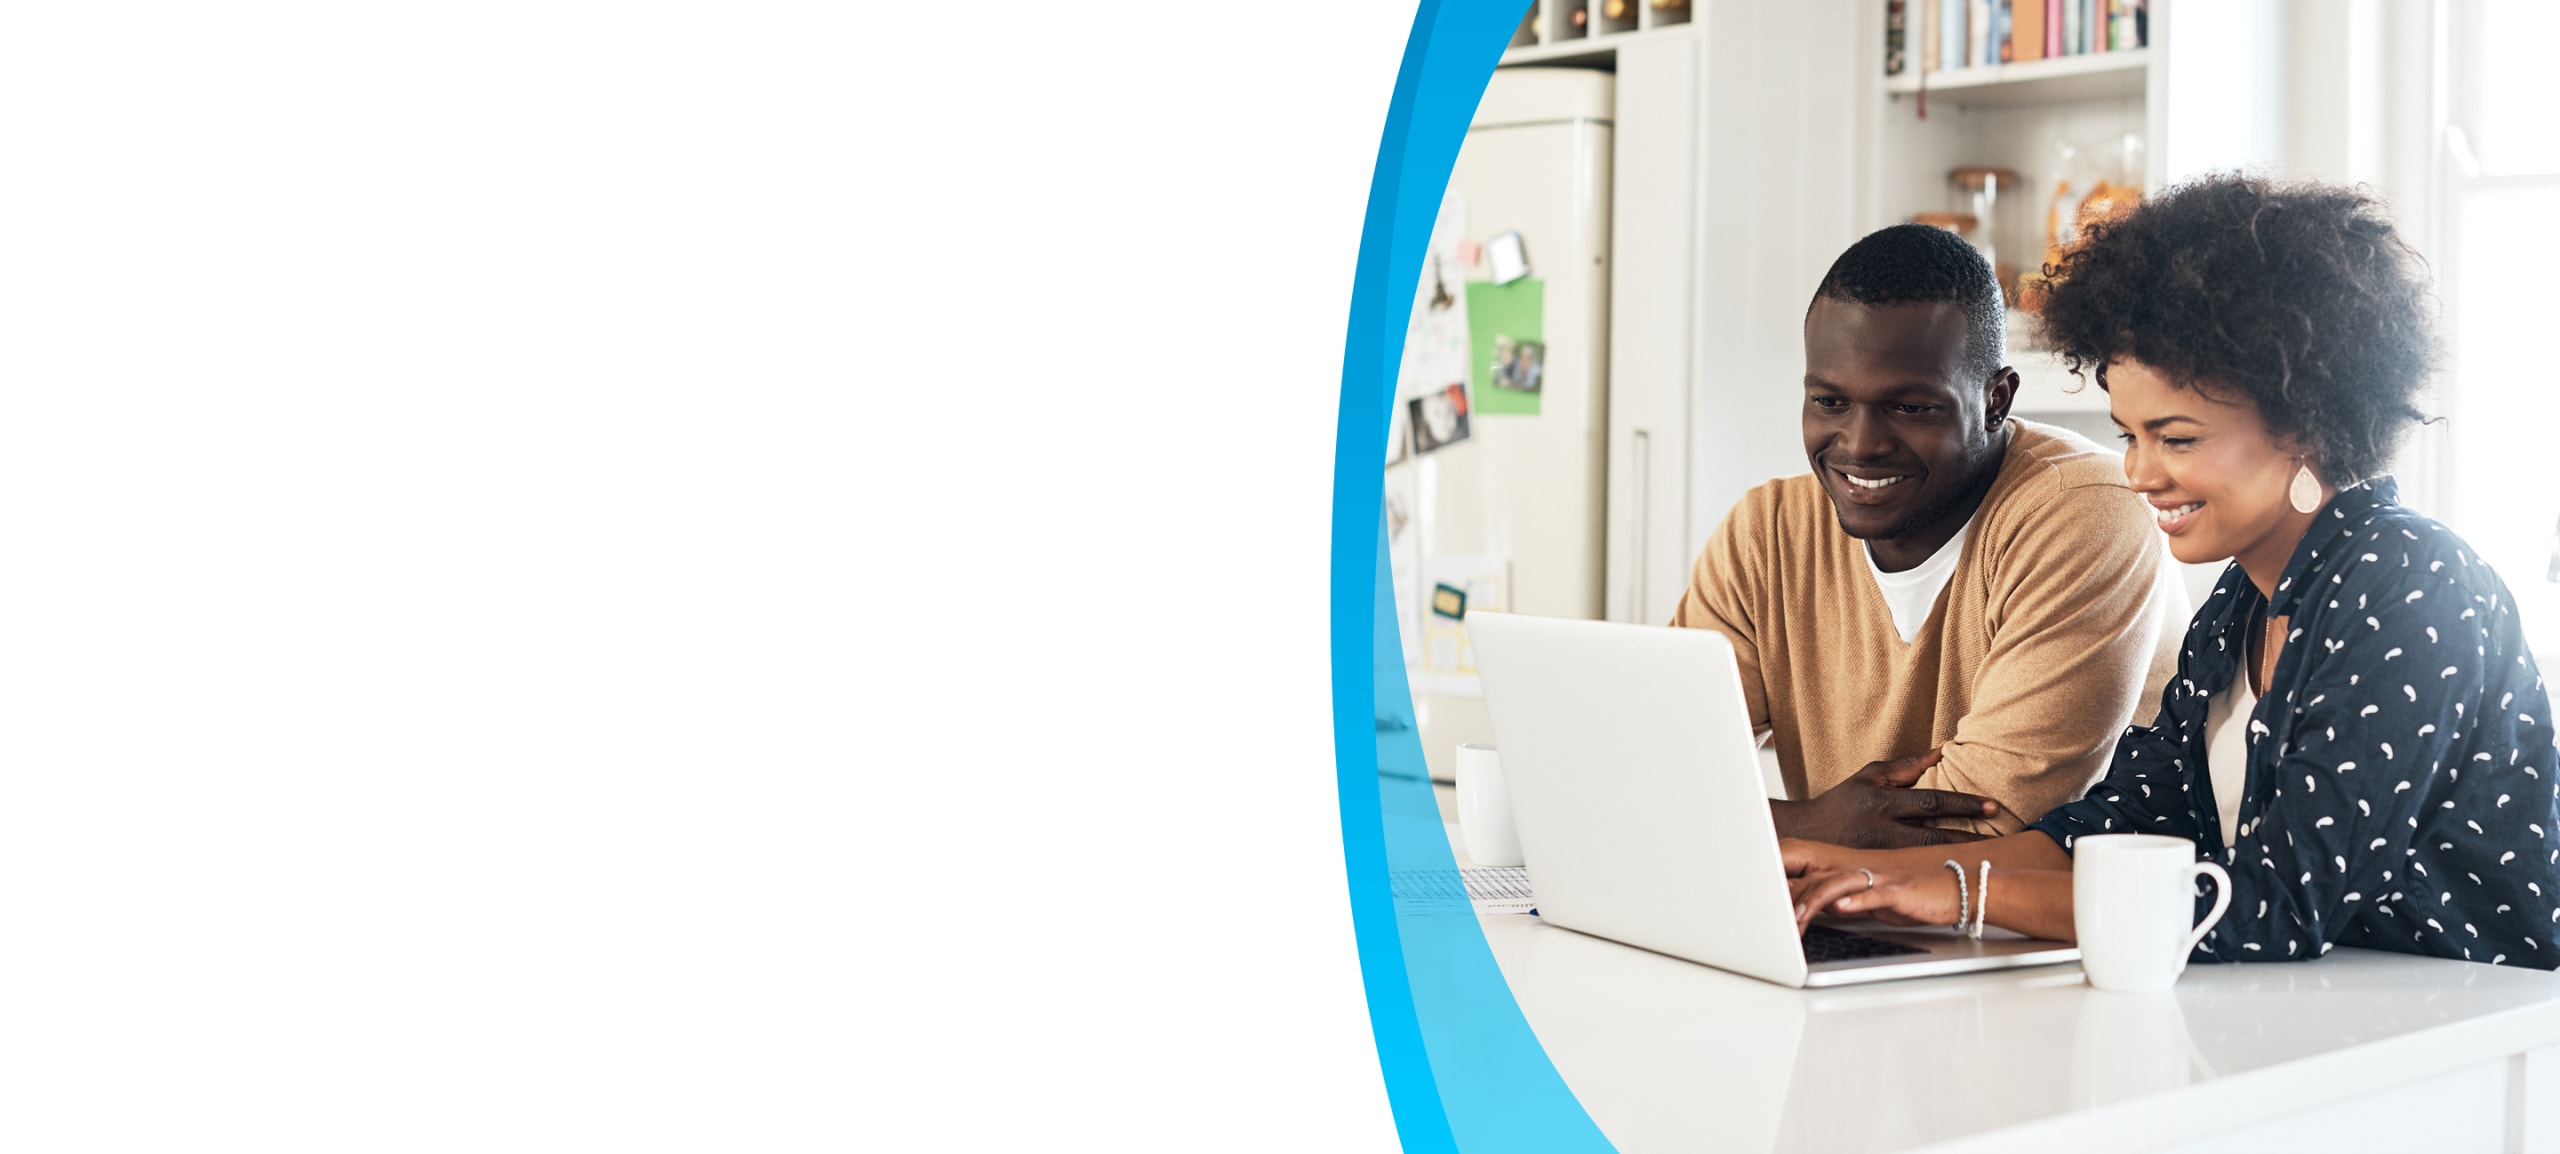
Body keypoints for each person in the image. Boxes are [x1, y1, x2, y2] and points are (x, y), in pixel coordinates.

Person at [1785, 175, 2560, 969]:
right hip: (2322, 1020)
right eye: (2129, 435)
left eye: (2177, 439)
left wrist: (1956, 892)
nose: (2140, 473)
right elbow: (2112, 832)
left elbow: (2272, 904)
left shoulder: (2415, 586)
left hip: (2470, 1036)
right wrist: (1854, 873)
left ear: (2307, 425)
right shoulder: (2240, 604)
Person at [1674, 223, 2184, 849]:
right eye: (1830, 403)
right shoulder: (1767, 534)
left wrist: (1752, 826)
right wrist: (1811, 824)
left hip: (2060, 929)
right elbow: (1655, 773)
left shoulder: (2084, 513)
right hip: (1855, 909)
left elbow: (1986, 820)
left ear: (1996, 399)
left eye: (1911, 408)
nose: (1860, 446)